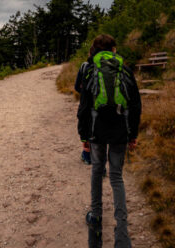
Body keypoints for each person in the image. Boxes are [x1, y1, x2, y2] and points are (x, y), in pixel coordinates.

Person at [76, 34, 141, 248]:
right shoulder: (124, 68)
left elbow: (84, 106)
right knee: (116, 176)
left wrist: (83, 135)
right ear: (113, 49)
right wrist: (133, 135)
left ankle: (96, 215)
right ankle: (122, 233)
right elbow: (135, 104)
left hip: (96, 130)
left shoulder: (89, 69)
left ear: (94, 49)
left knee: (96, 170)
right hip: (119, 129)